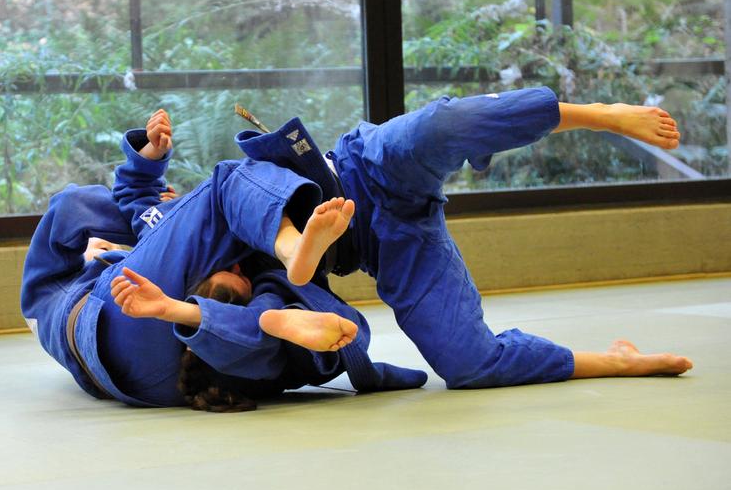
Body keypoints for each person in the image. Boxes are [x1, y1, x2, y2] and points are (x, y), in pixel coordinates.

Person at [225, 87, 693, 386]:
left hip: (366, 164)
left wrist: (147, 163)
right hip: (387, 242)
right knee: (468, 364)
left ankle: (600, 114)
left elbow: (153, 203)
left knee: (444, 124)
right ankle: (616, 361)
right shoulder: (240, 307)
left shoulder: (204, 212)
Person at [21, 109, 427, 409]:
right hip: (169, 348)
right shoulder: (75, 294)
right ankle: (283, 264)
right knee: (231, 195)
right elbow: (128, 206)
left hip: (152, 363)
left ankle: (272, 293)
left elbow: (133, 200)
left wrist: (148, 161)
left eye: (228, 270)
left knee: (78, 202)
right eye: (234, 270)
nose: (233, 263)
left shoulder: (75, 295)